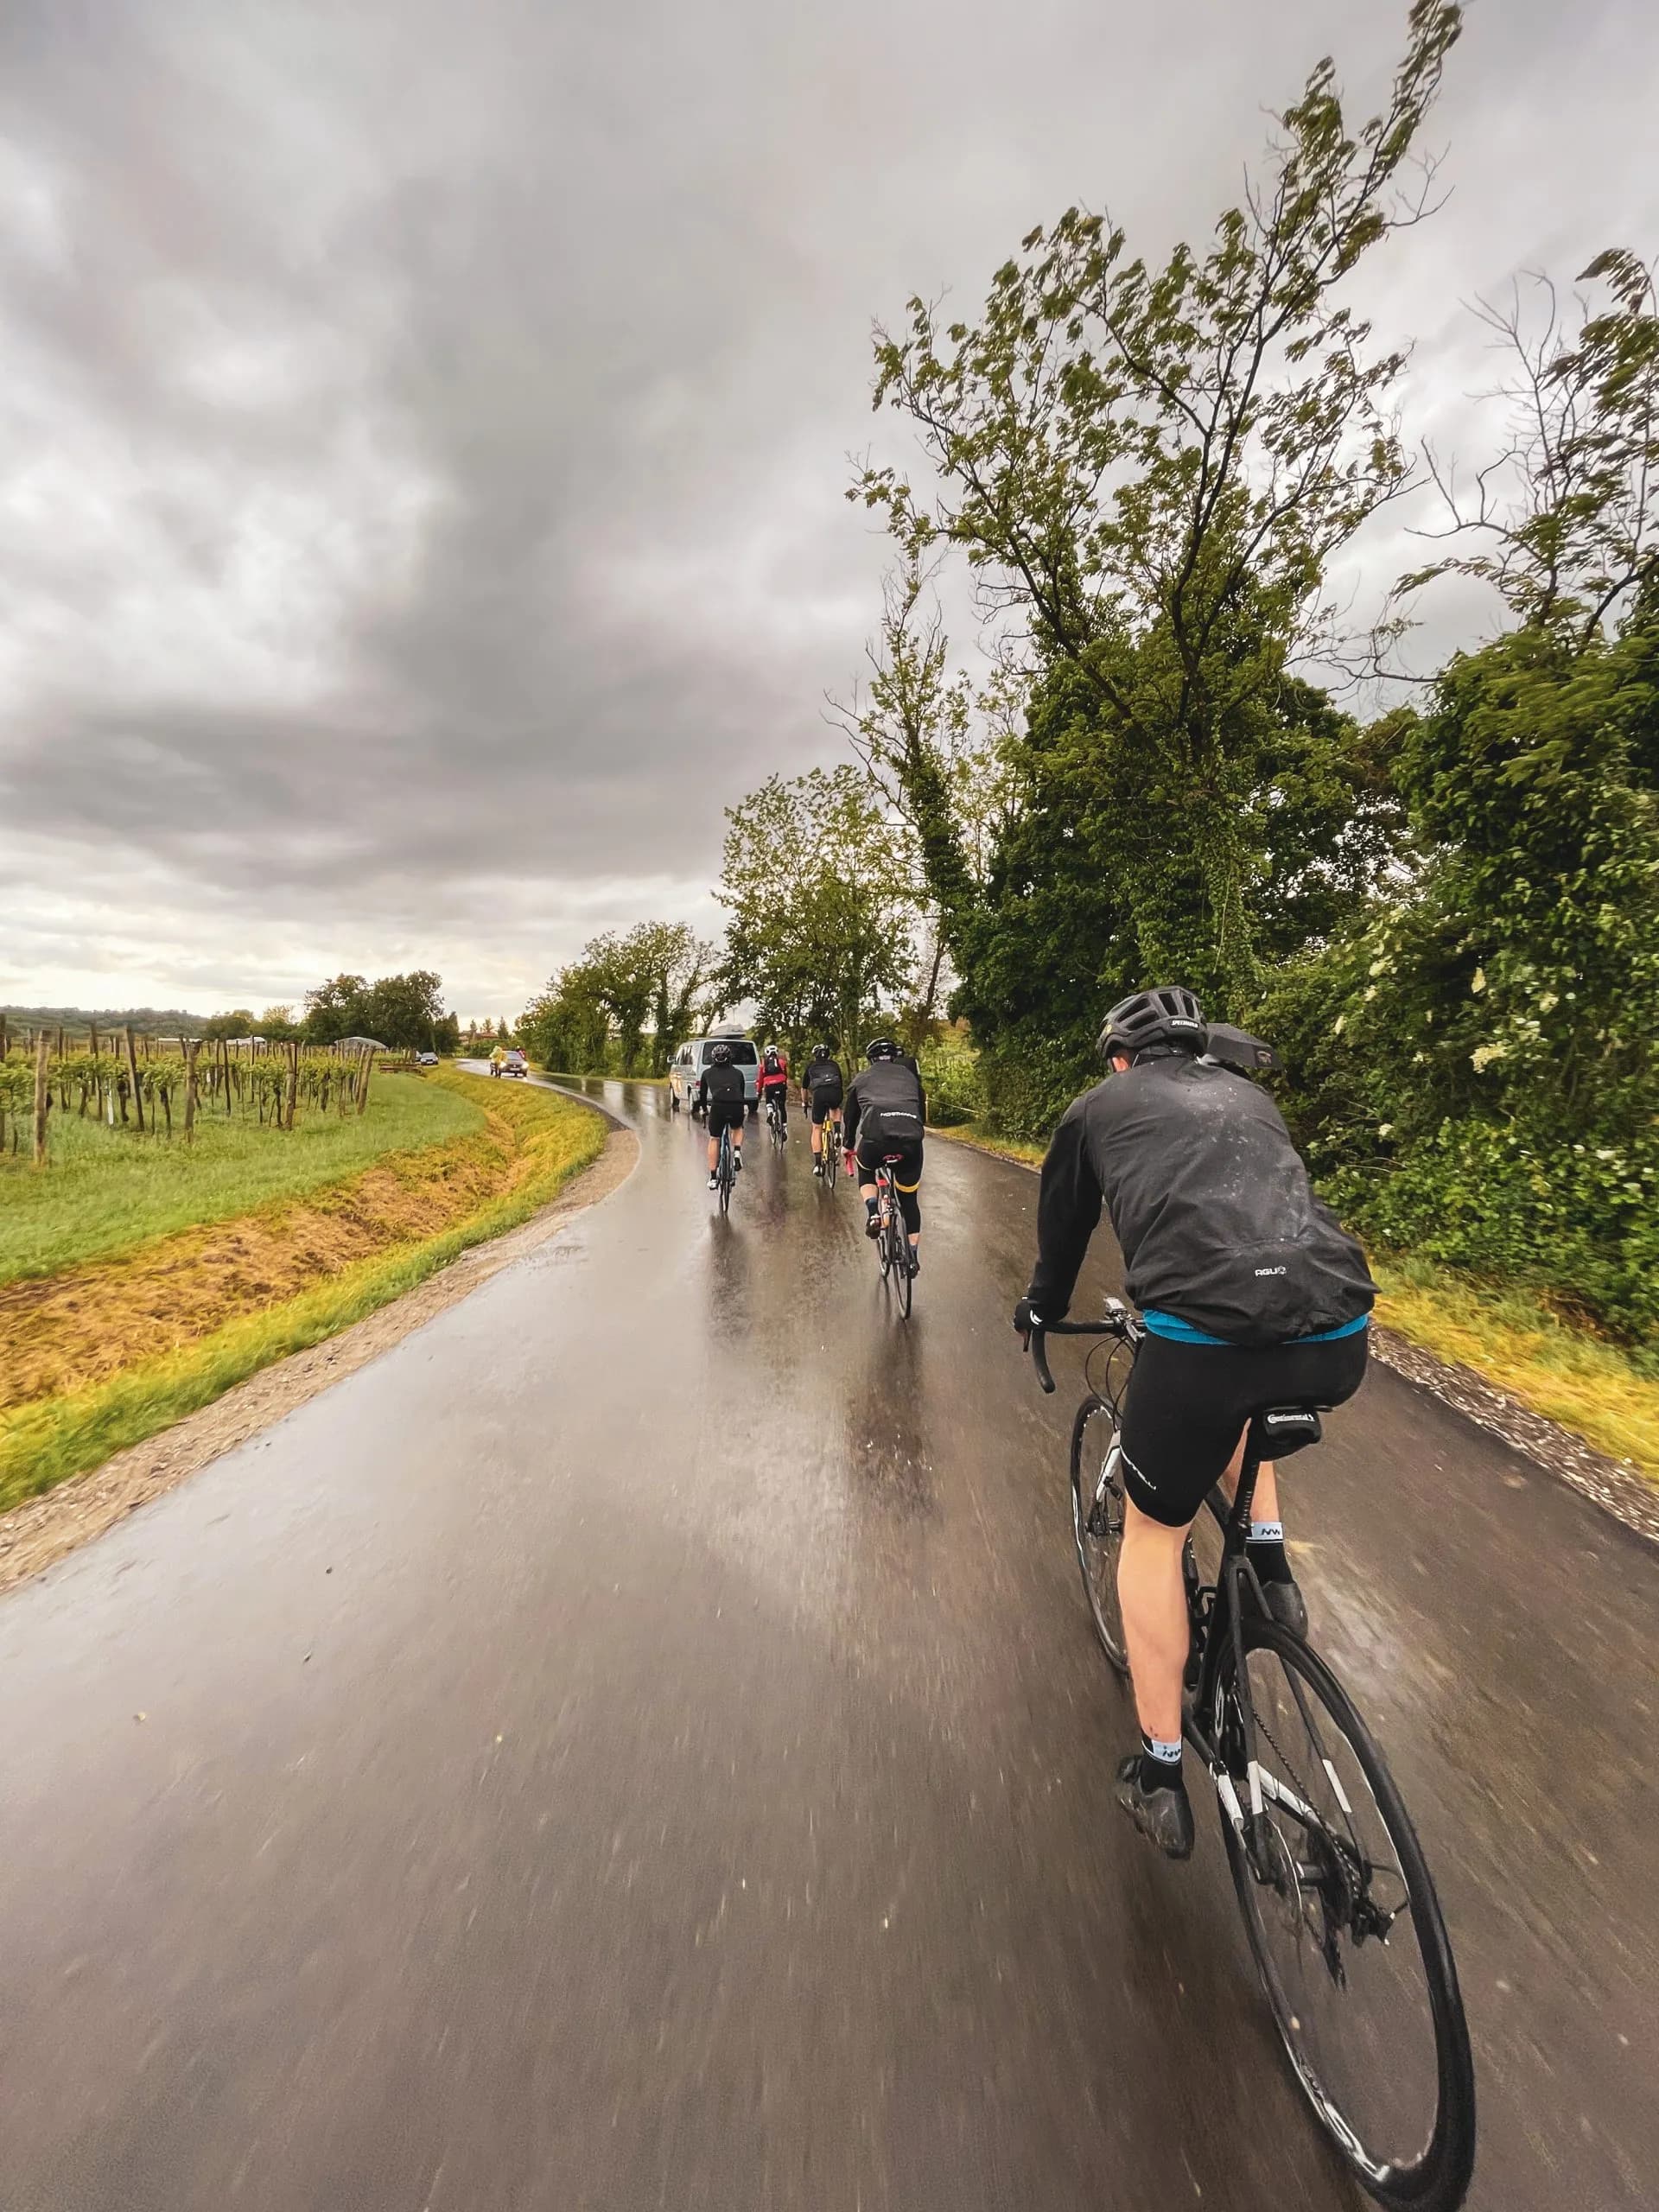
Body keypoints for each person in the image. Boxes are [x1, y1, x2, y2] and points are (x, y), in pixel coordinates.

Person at [1014, 984, 1374, 1860]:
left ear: (1122, 1056)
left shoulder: (1097, 1108)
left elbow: (1062, 1232)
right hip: (1340, 1329)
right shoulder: (1249, 1095)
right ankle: (1270, 1568)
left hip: (1202, 1346)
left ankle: (1162, 1771)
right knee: (1247, 1389)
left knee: (1150, 1533)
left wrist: (1040, 1309)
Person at [842, 1039, 926, 1274]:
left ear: (870, 1059)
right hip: (910, 1142)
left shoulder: (862, 1078)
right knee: (909, 1200)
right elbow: (922, 1110)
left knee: (866, 1168)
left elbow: (851, 1118)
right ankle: (912, 1259)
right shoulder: (910, 1077)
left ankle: (873, 1213)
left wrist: (848, 1145)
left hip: (875, 1142)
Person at [696, 1041, 747, 1189]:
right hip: (736, 1106)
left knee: (714, 1139)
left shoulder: (707, 1073)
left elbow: (703, 1096)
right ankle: (737, 1151)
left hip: (718, 1108)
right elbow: (741, 1093)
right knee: (737, 1127)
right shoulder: (738, 1073)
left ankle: (713, 1178)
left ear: (713, 1058)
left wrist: (704, 1110)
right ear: (729, 1058)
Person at [800, 1043, 843, 1174]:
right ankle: (837, 1131)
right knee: (835, 1107)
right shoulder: (834, 1065)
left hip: (819, 1094)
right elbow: (840, 1082)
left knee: (817, 1128)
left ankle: (818, 1164)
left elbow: (804, 1088)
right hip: (835, 1092)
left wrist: (805, 1103)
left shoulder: (811, 1067)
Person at [758, 1044, 791, 1137]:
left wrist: (759, 1092)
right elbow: (785, 1076)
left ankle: (770, 1112)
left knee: (768, 1100)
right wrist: (785, 1085)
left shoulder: (763, 1065)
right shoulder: (782, 1062)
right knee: (782, 1107)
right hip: (781, 1085)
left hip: (769, 1086)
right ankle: (784, 1128)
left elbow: (760, 1080)